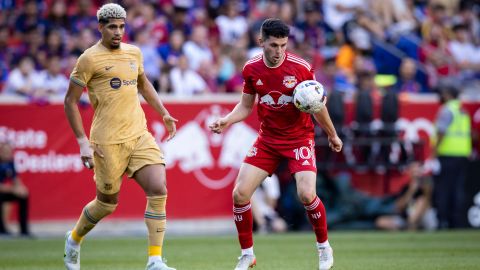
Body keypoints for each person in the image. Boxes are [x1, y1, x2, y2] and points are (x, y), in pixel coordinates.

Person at [209, 18, 343, 270]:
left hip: (299, 139)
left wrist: (332, 135)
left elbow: (317, 105)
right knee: (239, 194)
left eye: (283, 45)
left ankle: (324, 247)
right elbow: (246, 106)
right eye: (273, 45)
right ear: (261, 42)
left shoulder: (301, 68)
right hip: (268, 140)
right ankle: (247, 254)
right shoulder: (251, 69)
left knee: (306, 194)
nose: (278, 51)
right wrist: (227, 120)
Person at [63, 4, 177, 270]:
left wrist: (164, 113)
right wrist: (82, 142)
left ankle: (154, 260)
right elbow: (69, 101)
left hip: (138, 134)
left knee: (158, 188)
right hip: (106, 141)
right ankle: (75, 238)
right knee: (107, 204)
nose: (118, 32)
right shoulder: (88, 59)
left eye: (122, 27)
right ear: (100, 27)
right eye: (112, 27)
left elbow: (143, 83)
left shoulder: (133, 53)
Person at [432, 81, 472, 229]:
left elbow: (441, 132)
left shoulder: (447, 110)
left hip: (448, 154)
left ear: (448, 95)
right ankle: (457, 221)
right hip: (462, 154)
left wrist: (434, 151)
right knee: (458, 190)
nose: (441, 96)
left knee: (444, 189)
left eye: (443, 93)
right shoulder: (462, 110)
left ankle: (443, 221)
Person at [0, 141, 31, 237]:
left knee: (23, 196)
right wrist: (13, 189)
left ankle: (24, 230)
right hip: (3, 191)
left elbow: (15, 179)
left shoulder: (10, 163)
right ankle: (2, 229)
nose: (8, 154)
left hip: (5, 191)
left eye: (9, 151)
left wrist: (20, 188)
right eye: (5, 151)